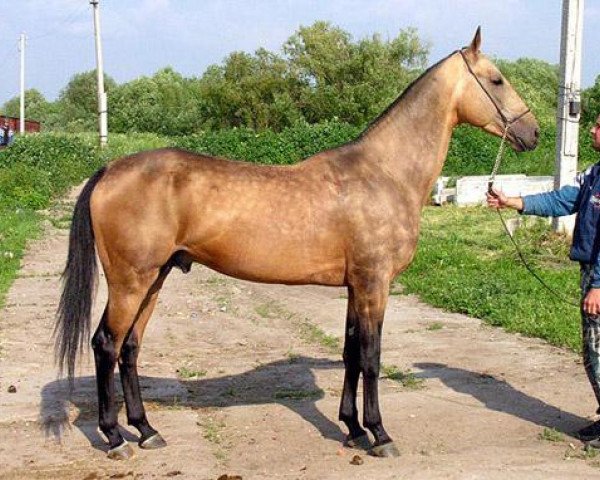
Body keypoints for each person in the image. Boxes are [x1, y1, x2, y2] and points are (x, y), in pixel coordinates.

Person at [486, 113, 600, 446]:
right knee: (593, 351)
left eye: (598, 126)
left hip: (598, 277)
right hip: (591, 271)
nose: (592, 130)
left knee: (596, 351)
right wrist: (513, 202)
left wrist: (598, 285)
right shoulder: (593, 174)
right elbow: (560, 200)